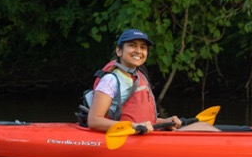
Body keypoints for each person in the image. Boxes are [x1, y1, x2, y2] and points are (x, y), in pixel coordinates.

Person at [87, 29, 219, 133]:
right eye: (132, 45)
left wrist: (164, 121)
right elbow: (94, 121)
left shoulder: (139, 76)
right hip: (128, 137)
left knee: (204, 126)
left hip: (145, 135)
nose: (138, 51)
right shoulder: (110, 80)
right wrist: (134, 126)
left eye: (143, 47)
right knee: (208, 130)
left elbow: (144, 120)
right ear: (119, 51)